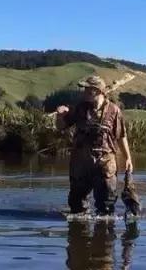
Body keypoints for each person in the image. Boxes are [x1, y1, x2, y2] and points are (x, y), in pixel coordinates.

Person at [55, 75, 133, 216]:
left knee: (106, 207)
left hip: (105, 163)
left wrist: (128, 158)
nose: (83, 91)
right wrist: (60, 116)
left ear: (97, 91)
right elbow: (60, 127)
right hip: (81, 163)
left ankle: (104, 228)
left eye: (87, 89)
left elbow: (121, 136)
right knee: (76, 206)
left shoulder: (114, 111)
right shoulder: (79, 108)